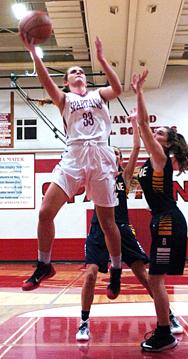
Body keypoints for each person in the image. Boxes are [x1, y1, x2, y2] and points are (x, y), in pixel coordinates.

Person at [20, 33, 122, 297]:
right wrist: (33, 52)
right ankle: (44, 264)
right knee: (44, 212)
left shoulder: (99, 94)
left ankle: (116, 270)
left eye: (81, 71)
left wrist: (101, 59)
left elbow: (119, 88)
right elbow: (45, 82)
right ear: (66, 82)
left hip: (100, 154)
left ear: (85, 79)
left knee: (107, 222)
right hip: (74, 155)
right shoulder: (64, 99)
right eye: (72, 72)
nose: (78, 73)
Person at [76, 115, 183, 341]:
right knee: (90, 275)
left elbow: (136, 146)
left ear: (120, 160)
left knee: (144, 275)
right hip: (99, 229)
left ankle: (169, 315)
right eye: (110, 152)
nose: (113, 155)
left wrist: (135, 124)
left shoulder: (124, 177)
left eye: (117, 153)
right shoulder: (95, 174)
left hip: (122, 229)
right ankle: (84, 322)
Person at [131, 69, 188, 352]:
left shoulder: (160, 157)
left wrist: (139, 91)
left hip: (168, 222)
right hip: (163, 221)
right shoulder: (149, 160)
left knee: (155, 279)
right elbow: (140, 130)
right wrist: (136, 126)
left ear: (166, 143)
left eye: (160, 133)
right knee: (156, 279)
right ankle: (165, 328)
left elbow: (144, 124)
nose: (154, 133)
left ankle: (165, 332)